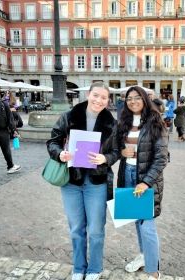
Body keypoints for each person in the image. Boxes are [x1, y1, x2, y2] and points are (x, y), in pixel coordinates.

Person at [46, 82, 119, 280]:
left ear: (108, 100)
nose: (99, 100)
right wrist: (60, 154)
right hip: (72, 181)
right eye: (96, 95)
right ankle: (79, 268)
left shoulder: (112, 123)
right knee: (76, 228)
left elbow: (116, 151)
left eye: (104, 97)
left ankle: (95, 268)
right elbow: (52, 141)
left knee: (96, 229)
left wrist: (106, 158)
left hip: (97, 181)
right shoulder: (69, 116)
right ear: (89, 94)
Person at [116, 85, 168, 280]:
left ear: (145, 99)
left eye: (137, 97)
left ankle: (153, 271)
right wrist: (122, 152)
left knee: (147, 225)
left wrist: (145, 183)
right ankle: (144, 256)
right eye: (129, 98)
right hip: (127, 174)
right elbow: (115, 146)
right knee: (136, 221)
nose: (133, 101)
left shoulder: (156, 122)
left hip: (146, 179)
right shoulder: (124, 121)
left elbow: (161, 158)